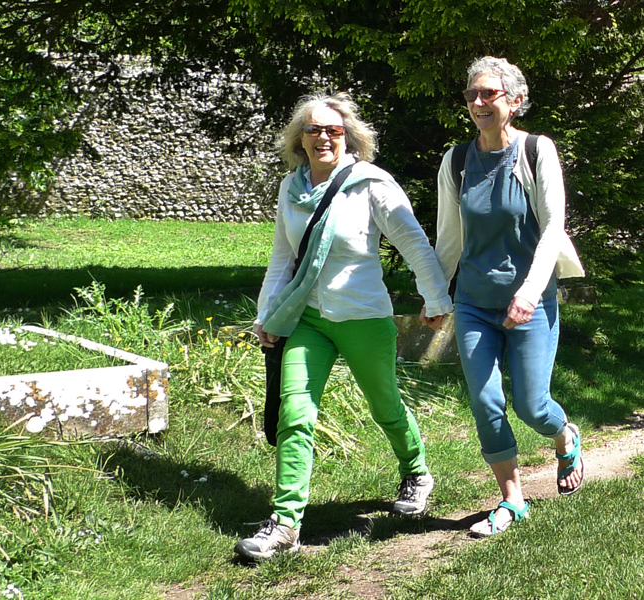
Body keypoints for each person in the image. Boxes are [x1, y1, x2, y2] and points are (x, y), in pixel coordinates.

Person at [234, 91, 453, 561]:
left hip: (364, 318)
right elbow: (282, 259)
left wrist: (435, 298)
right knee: (295, 414)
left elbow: (414, 243)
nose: (323, 137)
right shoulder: (290, 188)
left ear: (349, 136)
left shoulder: (372, 184)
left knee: (385, 406)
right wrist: (267, 314)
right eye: (313, 129)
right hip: (307, 319)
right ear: (300, 139)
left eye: (333, 129)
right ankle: (286, 522)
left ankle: (416, 470)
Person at [427, 56, 586, 538]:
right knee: (485, 399)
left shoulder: (537, 151)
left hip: (530, 300)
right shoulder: (456, 160)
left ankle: (565, 436)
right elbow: (449, 236)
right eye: (472, 94)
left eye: (488, 94)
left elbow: (552, 227)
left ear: (514, 102)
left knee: (533, 406)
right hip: (475, 301)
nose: (478, 102)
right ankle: (512, 499)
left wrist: (530, 292)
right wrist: (436, 293)